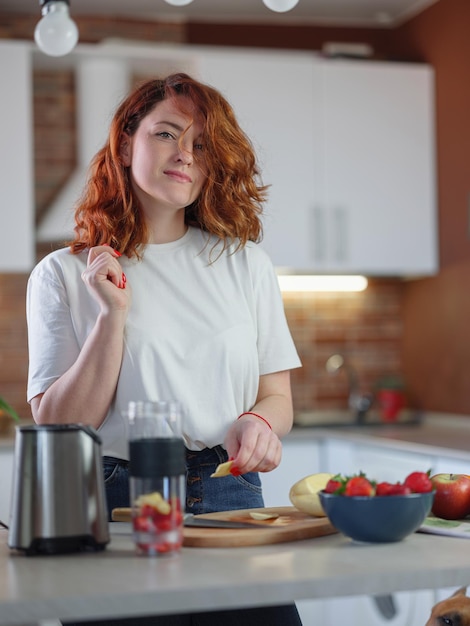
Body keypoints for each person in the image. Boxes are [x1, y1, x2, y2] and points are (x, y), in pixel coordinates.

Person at [27, 73, 302, 626]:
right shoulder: (63, 274)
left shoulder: (244, 264)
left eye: (201, 144)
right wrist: (113, 317)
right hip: (118, 503)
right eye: (167, 134)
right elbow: (59, 425)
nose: (185, 154)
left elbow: (277, 397)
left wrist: (259, 422)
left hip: (231, 496)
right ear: (127, 142)